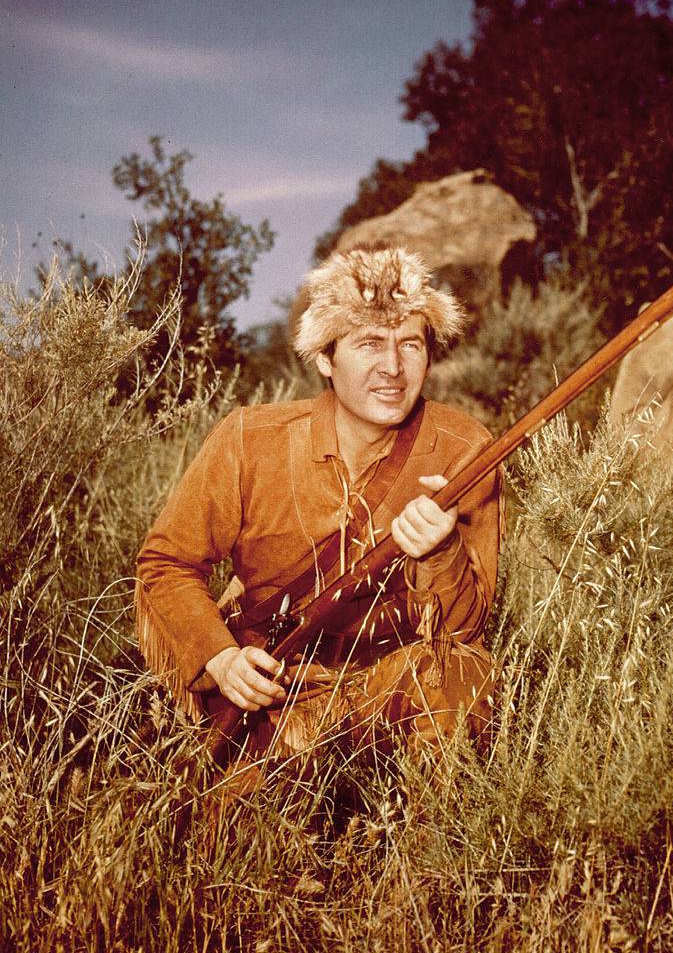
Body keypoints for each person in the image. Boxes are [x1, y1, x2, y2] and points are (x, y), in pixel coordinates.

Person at [135, 245, 501, 791]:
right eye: (369, 343)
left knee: (465, 674)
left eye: (411, 344)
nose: (394, 369)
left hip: (392, 686)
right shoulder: (248, 438)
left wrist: (441, 554)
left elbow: (464, 632)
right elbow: (165, 565)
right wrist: (221, 660)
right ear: (326, 358)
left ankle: (428, 863)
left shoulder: (465, 447)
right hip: (278, 695)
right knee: (230, 835)